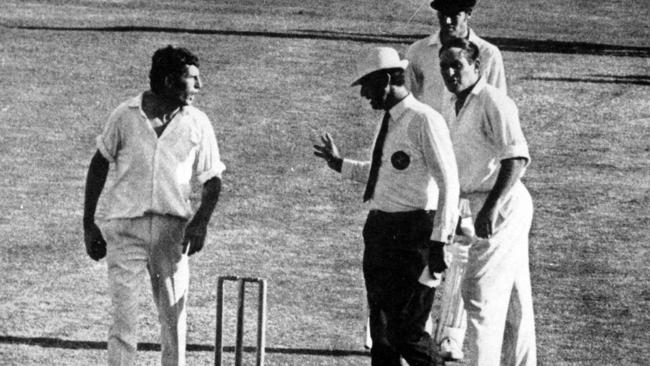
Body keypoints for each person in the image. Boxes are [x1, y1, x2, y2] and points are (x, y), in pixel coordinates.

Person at [313, 46, 459, 366]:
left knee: (406, 331)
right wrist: (340, 164)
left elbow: (450, 182)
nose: (364, 94)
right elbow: (382, 173)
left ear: (387, 81)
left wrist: (440, 240)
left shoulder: (424, 120)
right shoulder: (389, 122)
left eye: (367, 85)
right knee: (381, 335)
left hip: (414, 236)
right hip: (381, 233)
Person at [83, 45, 225, 366]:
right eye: (193, 79)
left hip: (172, 234)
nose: (199, 87)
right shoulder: (125, 116)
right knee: (124, 321)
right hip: (126, 231)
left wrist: (201, 220)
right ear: (168, 81)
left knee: (174, 319)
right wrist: (88, 223)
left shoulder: (197, 123)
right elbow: (99, 163)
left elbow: (213, 180)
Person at [405, 0, 508, 359]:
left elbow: (493, 106)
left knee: (460, 250)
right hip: (427, 160)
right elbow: (406, 105)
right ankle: (418, 328)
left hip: (465, 166)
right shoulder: (418, 52)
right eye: (442, 13)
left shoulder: (489, 55)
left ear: (469, 15)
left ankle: (451, 334)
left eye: (456, 14)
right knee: (426, 239)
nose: (448, 20)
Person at [439, 37, 536, 366]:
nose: (451, 72)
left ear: (476, 67)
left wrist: (493, 206)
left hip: (503, 206)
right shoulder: (451, 103)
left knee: (479, 297)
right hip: (477, 205)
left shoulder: (494, 101)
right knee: (513, 297)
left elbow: (517, 158)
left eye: (458, 65)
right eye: (444, 67)